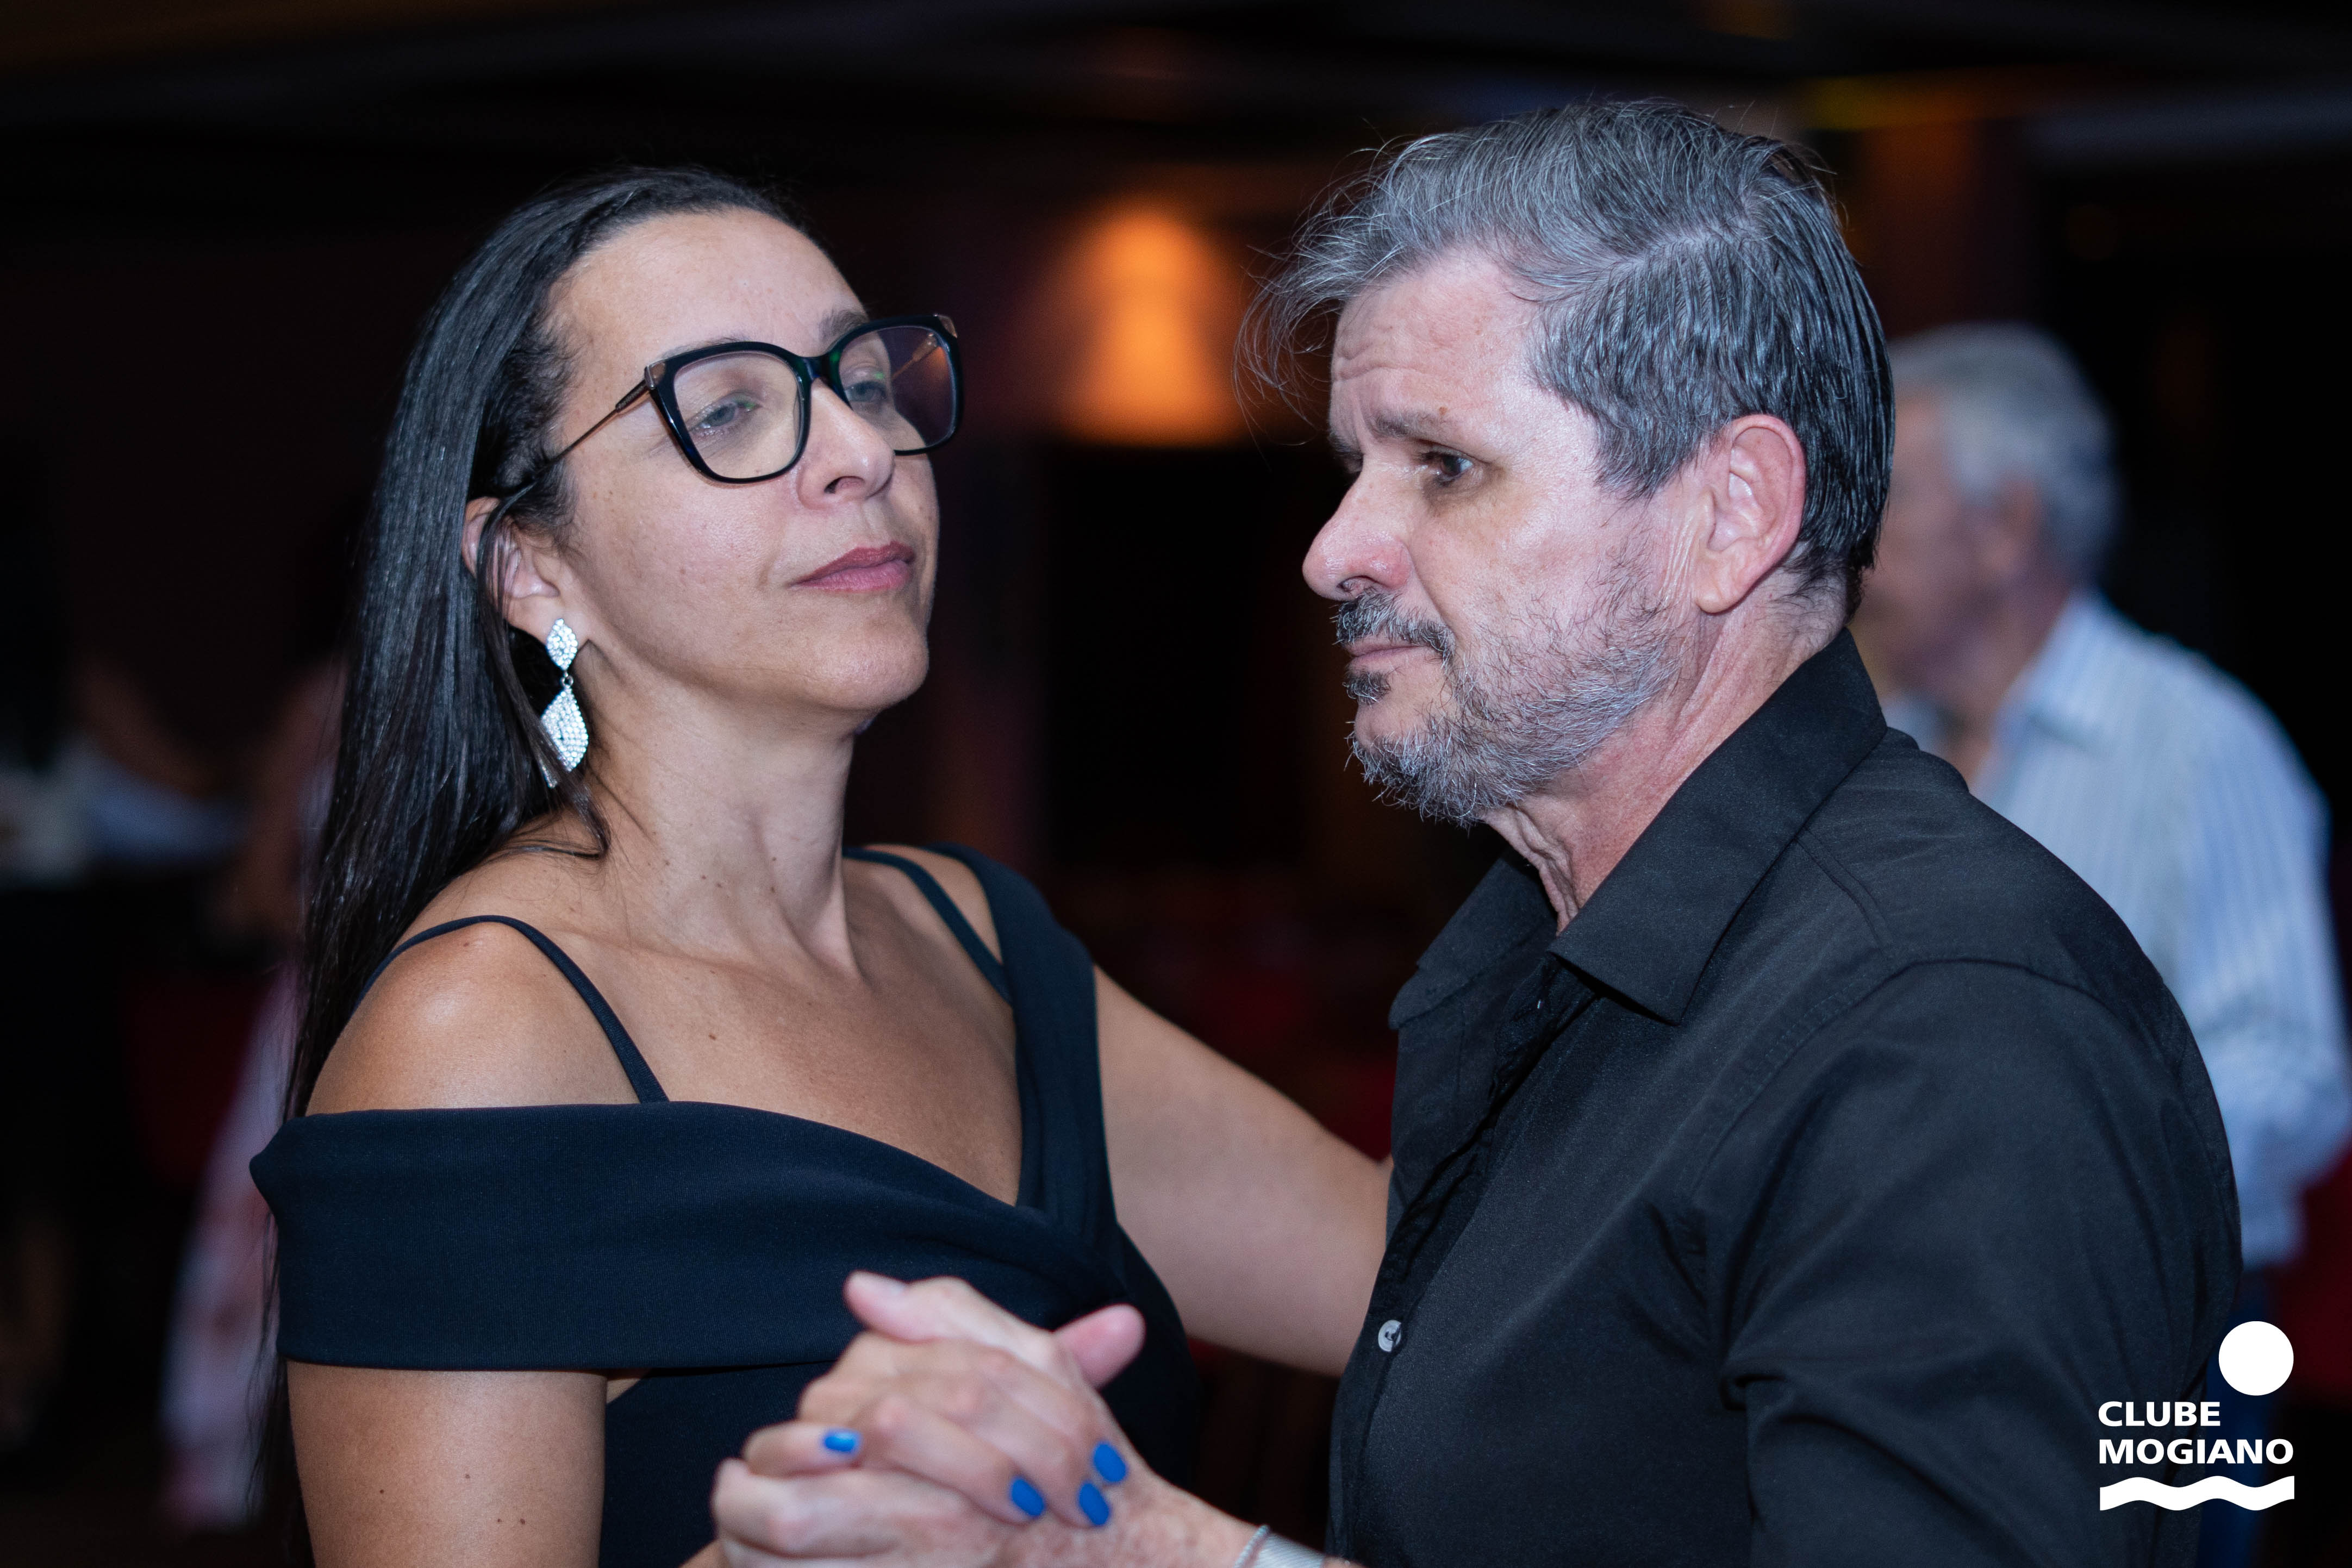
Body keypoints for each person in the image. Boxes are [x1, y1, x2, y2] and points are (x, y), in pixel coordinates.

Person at [711, 102, 2240, 1568]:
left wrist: (1155, 1549)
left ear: (1731, 512)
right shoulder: (1548, 945)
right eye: (1355, 470)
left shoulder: (1947, 1022)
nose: (1333, 552)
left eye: (1444, 467)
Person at [250, 168, 1388, 1568]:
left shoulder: (975, 937)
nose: (860, 450)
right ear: (528, 568)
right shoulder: (480, 1034)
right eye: (726, 409)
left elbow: (1433, 1288)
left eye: (862, 380)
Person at [1851, 321, 2351, 1568]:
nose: (1851, 549)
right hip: (1912, 1317)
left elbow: (2293, 1068)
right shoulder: (1878, 751)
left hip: (2147, 1326)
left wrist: (2056, 1159)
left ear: (2005, 526)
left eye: (1888, 504)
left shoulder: (2196, 743)